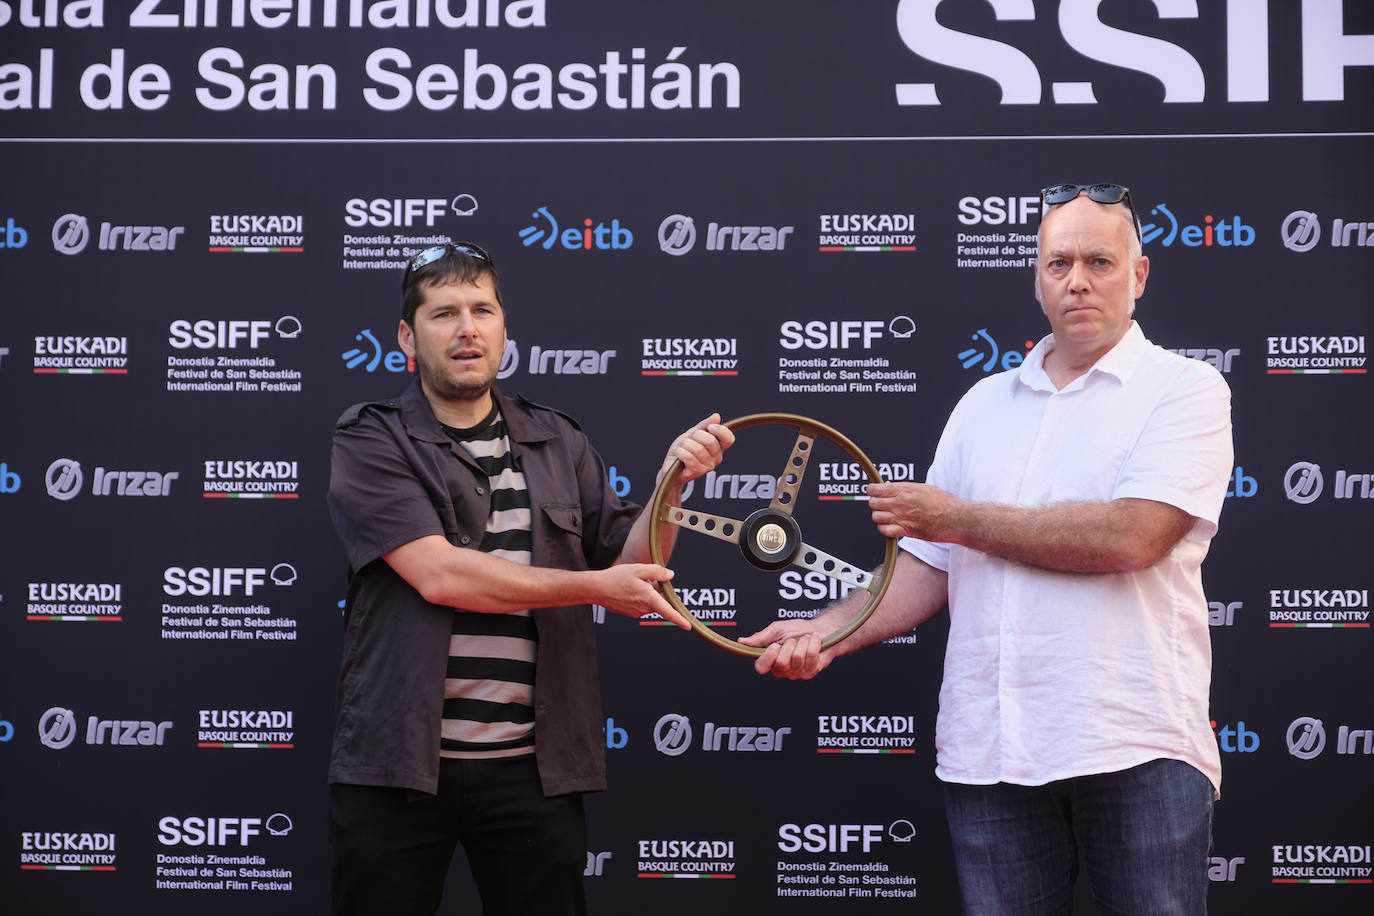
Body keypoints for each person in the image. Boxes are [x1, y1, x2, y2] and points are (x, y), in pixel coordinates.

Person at [742, 184, 1233, 915]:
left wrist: (956, 519)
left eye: (1100, 261)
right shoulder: (981, 405)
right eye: (1058, 262)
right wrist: (826, 632)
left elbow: (1134, 537)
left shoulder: (1185, 390)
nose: (1077, 280)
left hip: (1134, 744)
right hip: (990, 750)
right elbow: (931, 567)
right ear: (1036, 280)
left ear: (1139, 275)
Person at [326, 241, 733, 916]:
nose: (466, 329)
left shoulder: (557, 441)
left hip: (532, 774)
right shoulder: (371, 439)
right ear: (406, 335)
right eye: (443, 313)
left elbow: (635, 563)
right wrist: (591, 588)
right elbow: (438, 574)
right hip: (396, 771)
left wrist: (673, 484)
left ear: (503, 330)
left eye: (482, 310)